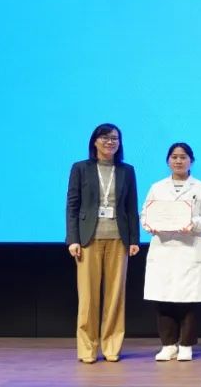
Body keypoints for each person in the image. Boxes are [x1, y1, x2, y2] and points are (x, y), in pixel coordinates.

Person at [65, 123, 140, 363]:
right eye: (105, 137)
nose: (110, 142)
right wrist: (73, 239)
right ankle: (87, 349)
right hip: (88, 239)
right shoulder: (80, 168)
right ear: (95, 141)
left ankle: (111, 347)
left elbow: (131, 208)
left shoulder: (127, 170)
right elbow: (72, 206)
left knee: (115, 296)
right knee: (88, 298)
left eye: (115, 138)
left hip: (119, 239)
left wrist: (134, 239)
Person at [141, 143, 201, 362]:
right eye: (174, 157)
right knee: (163, 298)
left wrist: (193, 223)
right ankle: (168, 345)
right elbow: (145, 214)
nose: (178, 161)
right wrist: (149, 225)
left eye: (183, 157)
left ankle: (186, 345)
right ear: (168, 160)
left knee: (188, 300)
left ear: (191, 160)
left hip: (189, 248)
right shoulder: (157, 187)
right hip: (163, 249)